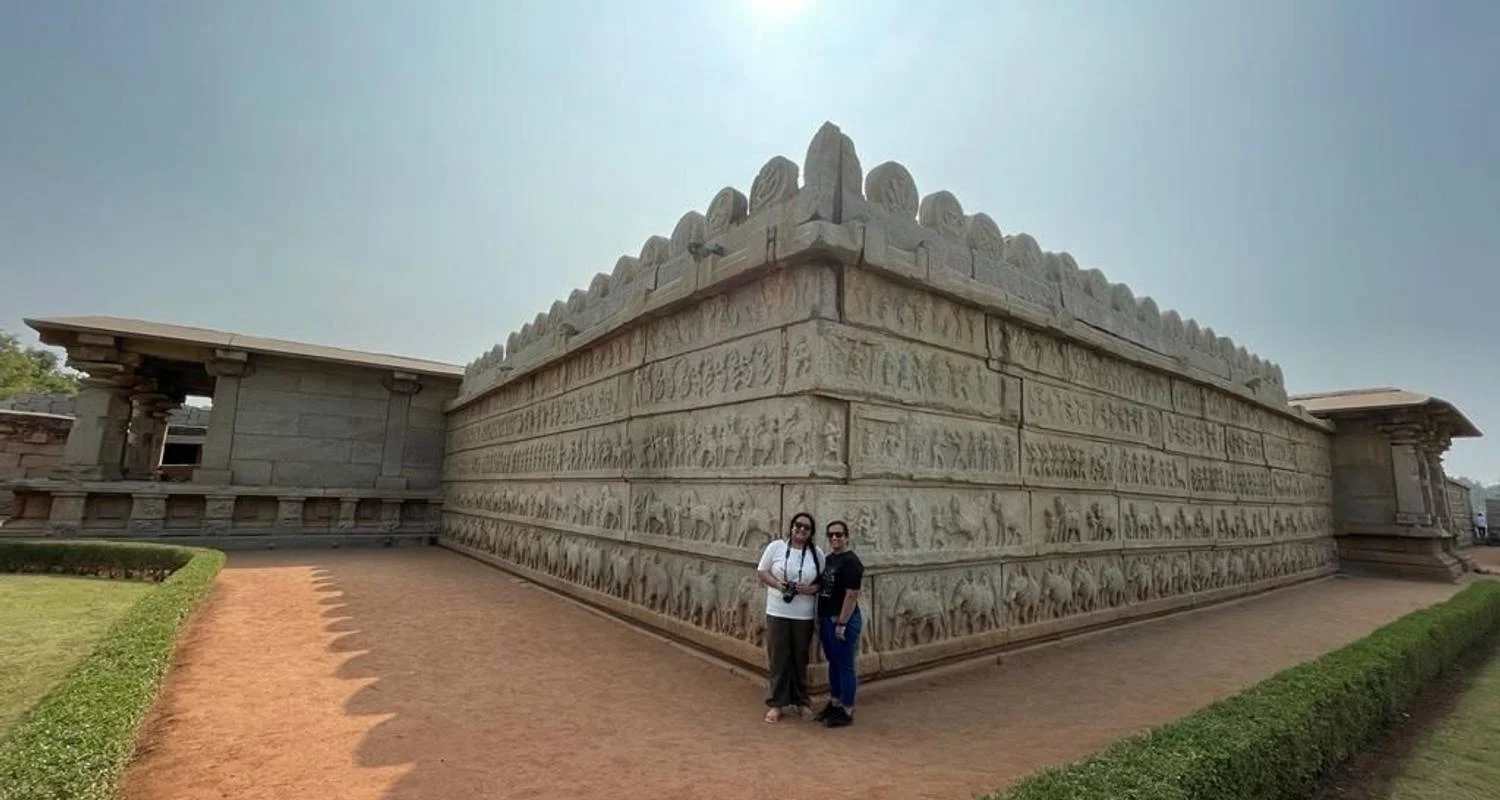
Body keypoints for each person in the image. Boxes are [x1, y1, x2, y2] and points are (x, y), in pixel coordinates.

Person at [755, 511, 824, 723]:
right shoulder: (776, 547)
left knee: (800, 658)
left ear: (811, 532)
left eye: (806, 527)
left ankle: (801, 701)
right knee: (778, 657)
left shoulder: (816, 553)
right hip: (778, 610)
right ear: (791, 527)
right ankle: (777, 702)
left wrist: (809, 589)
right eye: (798, 525)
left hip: (803, 613)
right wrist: (778, 585)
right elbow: (762, 571)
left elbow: (822, 582)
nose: (801, 529)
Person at [814, 519, 864, 728]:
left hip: (842, 619)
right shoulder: (829, 560)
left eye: (839, 534)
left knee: (845, 664)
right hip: (828, 618)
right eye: (831, 535)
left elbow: (851, 594)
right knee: (833, 663)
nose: (835, 538)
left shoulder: (851, 562)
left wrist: (842, 622)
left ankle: (847, 708)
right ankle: (835, 703)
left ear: (847, 537)